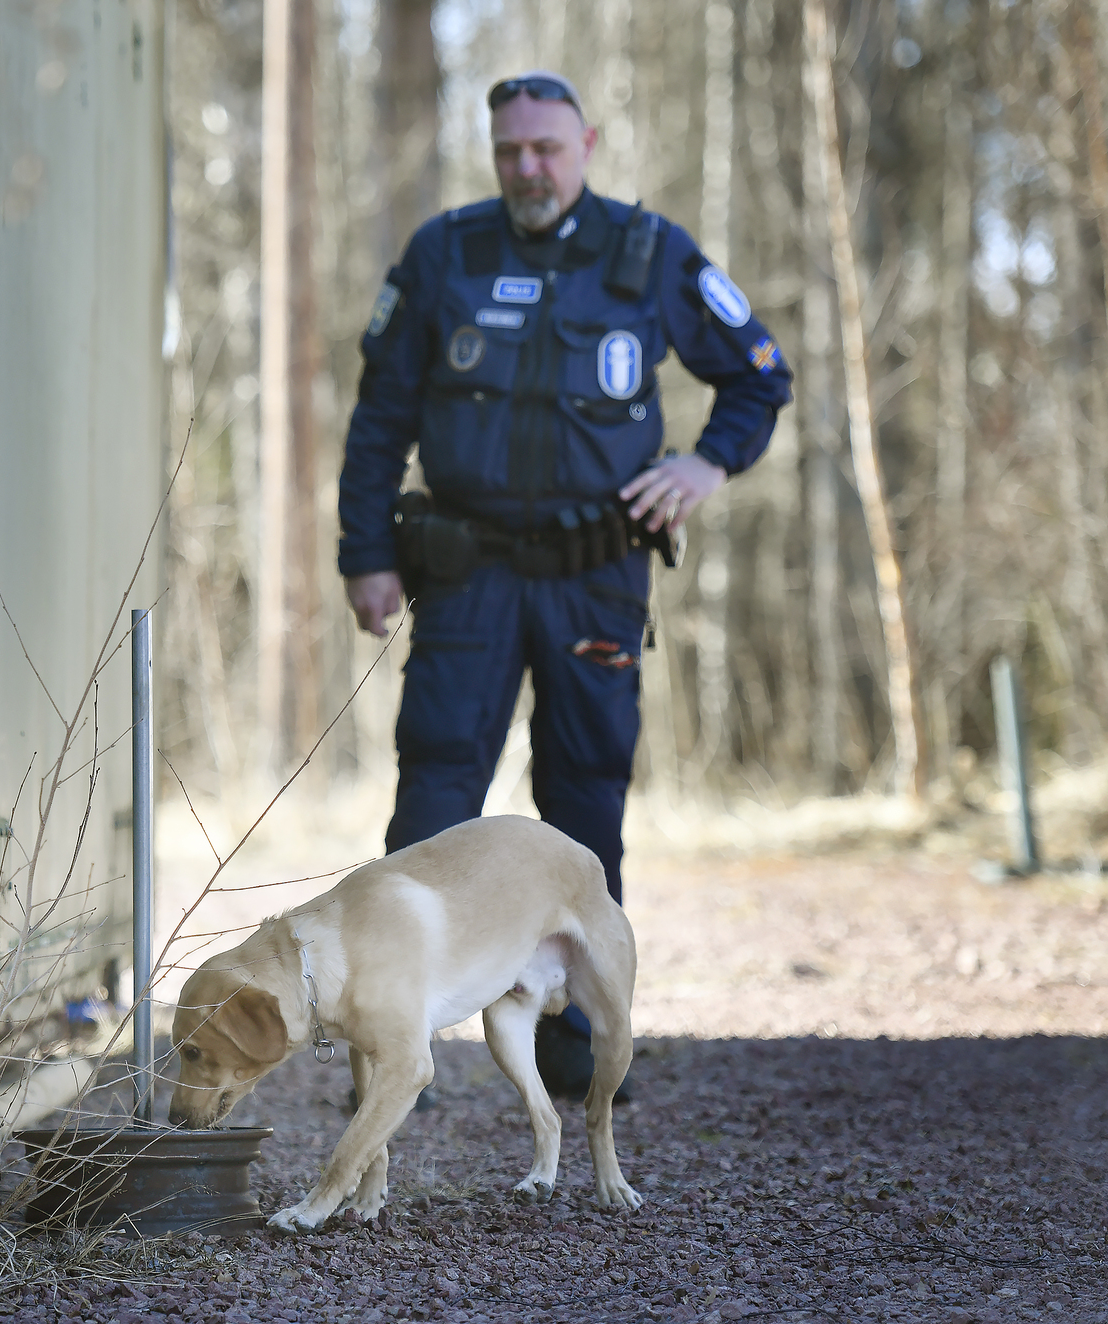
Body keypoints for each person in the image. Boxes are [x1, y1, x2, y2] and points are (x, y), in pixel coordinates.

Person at [337, 71, 793, 1097]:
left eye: (545, 149)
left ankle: (581, 1049)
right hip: (467, 576)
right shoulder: (443, 255)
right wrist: (363, 553)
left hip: (596, 575)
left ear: (584, 143)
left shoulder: (647, 254)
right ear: (492, 153)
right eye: (510, 152)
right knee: (434, 797)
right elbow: (379, 419)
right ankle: (391, 1037)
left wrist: (704, 465)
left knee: (583, 803)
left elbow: (758, 375)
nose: (528, 169)